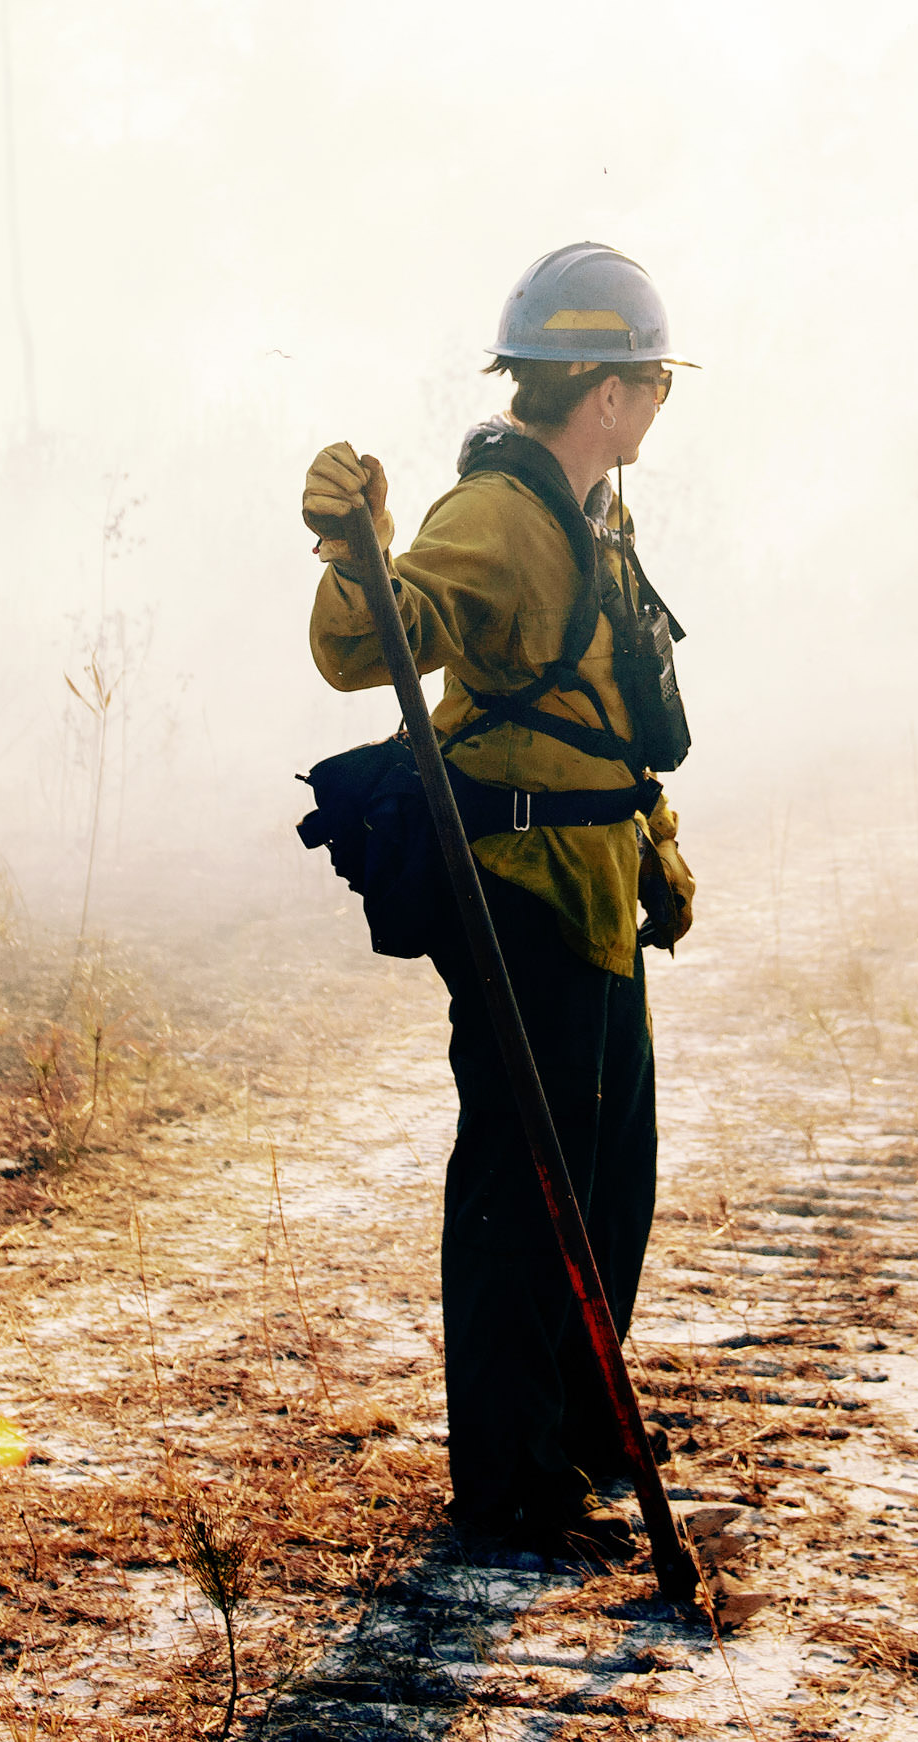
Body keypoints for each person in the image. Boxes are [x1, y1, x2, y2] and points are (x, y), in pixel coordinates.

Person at [298, 242, 697, 1556]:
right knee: (525, 1199)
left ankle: (577, 1441)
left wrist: (653, 842)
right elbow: (372, 641)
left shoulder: (593, 515)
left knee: (610, 1181)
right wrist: (353, 547)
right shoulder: (500, 518)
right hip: (524, 900)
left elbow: (607, 714)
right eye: (651, 381)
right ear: (604, 392)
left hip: (594, 895)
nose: (658, 404)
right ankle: (511, 1483)